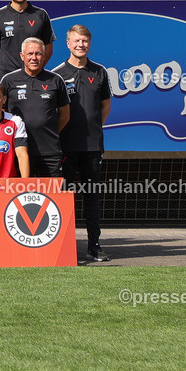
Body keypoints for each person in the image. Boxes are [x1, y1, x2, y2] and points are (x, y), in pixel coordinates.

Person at [53, 25, 113, 262]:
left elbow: (105, 106)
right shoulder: (57, 74)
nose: (81, 45)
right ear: (68, 44)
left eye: (85, 41)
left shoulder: (99, 72)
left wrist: (93, 128)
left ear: (89, 43)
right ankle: (66, 246)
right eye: (76, 41)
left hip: (92, 146)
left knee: (91, 196)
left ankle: (94, 245)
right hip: (66, 145)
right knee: (65, 197)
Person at [1, 37, 70, 178]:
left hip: (50, 151)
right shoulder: (8, 80)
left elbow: (65, 115)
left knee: (54, 196)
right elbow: (2, 113)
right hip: (19, 151)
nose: (34, 58)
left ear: (44, 56)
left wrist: (49, 131)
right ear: (22, 56)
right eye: (30, 54)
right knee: (23, 196)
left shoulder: (56, 80)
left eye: (38, 54)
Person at [0, 0, 55, 80]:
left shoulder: (40, 15)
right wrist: (6, 67)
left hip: (35, 77)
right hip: (7, 77)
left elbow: (48, 49)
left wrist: (34, 69)